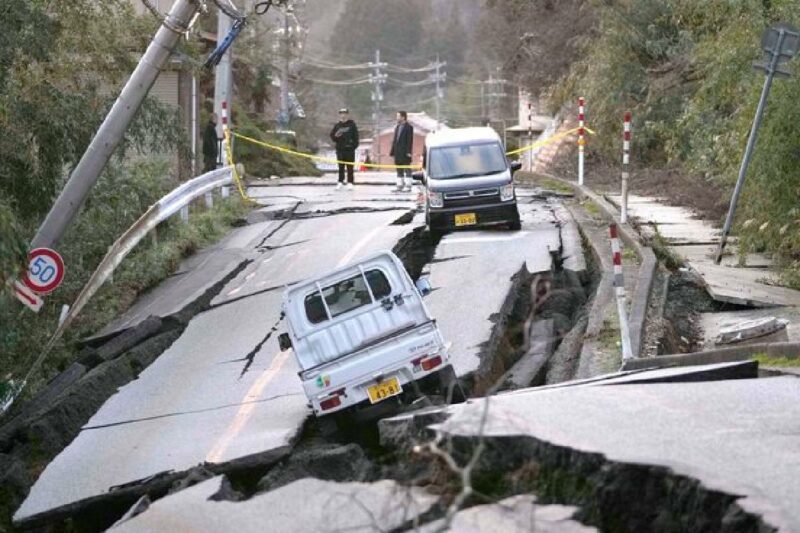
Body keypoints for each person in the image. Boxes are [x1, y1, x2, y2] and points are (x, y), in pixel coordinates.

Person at [330, 108, 359, 190]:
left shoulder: (352, 125)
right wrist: (336, 136)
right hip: (340, 150)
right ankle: (340, 181)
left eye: (345, 113)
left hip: (349, 150)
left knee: (350, 167)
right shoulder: (337, 125)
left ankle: (350, 182)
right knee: (341, 167)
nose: (343, 115)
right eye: (341, 113)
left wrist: (353, 147)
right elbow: (332, 136)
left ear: (347, 114)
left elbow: (356, 137)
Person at [389, 110, 414, 192]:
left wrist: (408, 152)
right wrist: (392, 152)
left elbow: (409, 141)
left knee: (407, 169)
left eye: (398, 116)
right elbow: (395, 140)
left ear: (403, 117)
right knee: (399, 169)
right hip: (397, 152)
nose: (397, 118)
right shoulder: (397, 127)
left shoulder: (409, 127)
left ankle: (408, 185)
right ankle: (399, 185)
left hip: (405, 152)